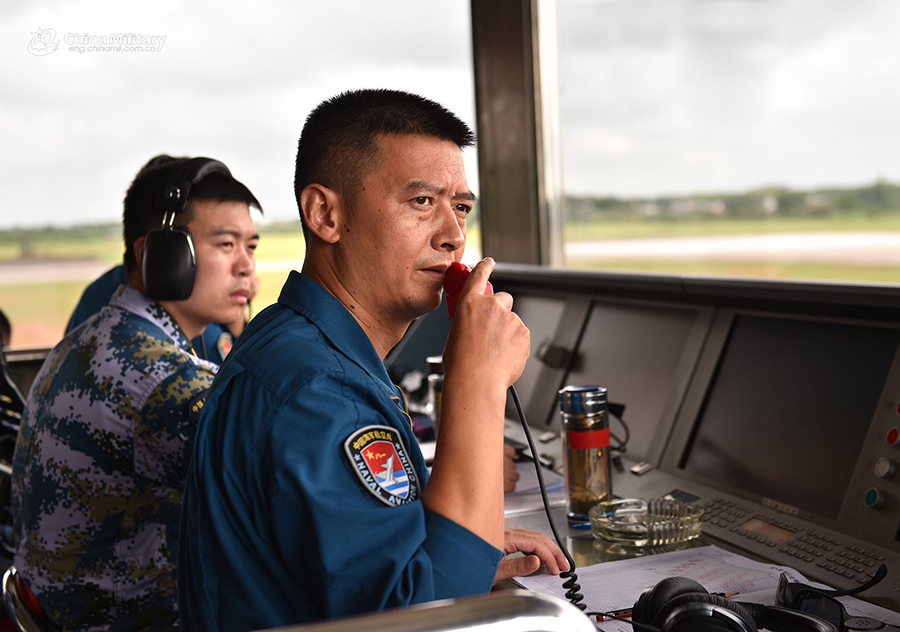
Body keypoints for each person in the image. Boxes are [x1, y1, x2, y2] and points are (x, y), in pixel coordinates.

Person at [178, 89, 567, 632]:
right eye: (421, 202)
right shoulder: (318, 389)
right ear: (325, 214)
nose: (454, 237)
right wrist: (476, 381)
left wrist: (461, 542)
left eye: (460, 208)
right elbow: (427, 620)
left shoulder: (295, 341)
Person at [11, 155, 261, 631]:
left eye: (250, 245)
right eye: (225, 244)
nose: (246, 266)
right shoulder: (162, 378)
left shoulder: (91, 335)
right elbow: (284, 496)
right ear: (160, 256)